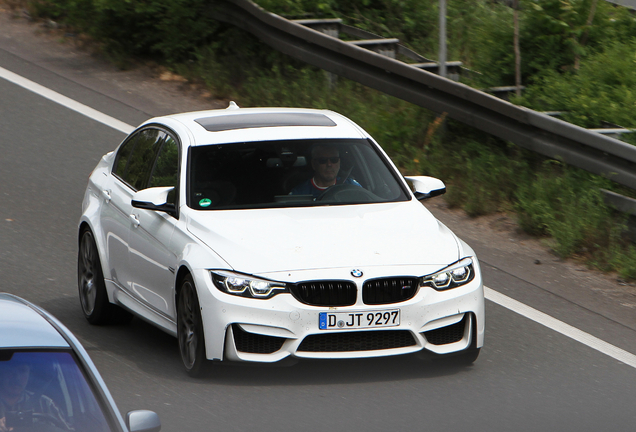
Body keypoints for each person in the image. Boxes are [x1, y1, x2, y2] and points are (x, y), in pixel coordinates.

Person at [0, 361, 71, 431]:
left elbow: (67, 430)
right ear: (2, 372)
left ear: (29, 373)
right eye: (10, 371)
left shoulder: (46, 404)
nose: (16, 377)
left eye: (22, 370)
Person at [290, 145, 361, 198]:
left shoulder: (351, 186)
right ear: (314, 164)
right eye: (323, 160)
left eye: (334, 160)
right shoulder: (299, 193)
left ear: (339, 163)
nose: (329, 164)